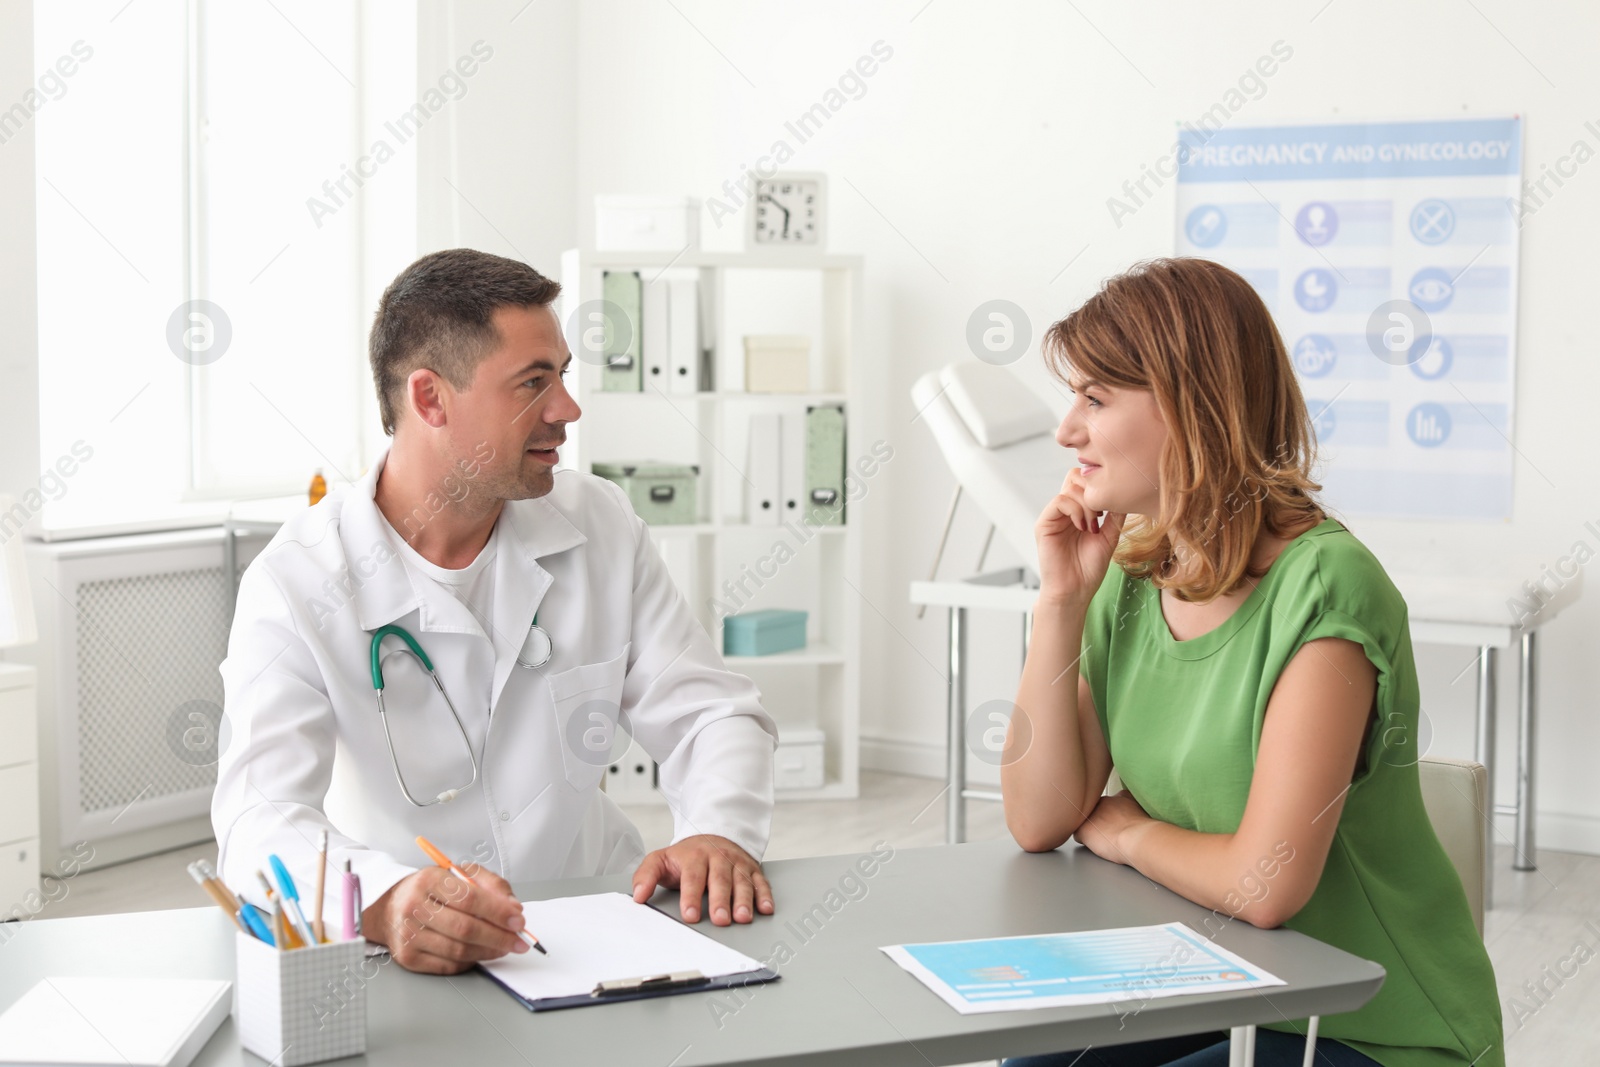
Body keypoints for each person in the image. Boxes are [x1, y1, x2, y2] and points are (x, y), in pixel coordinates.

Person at [213, 249, 778, 974]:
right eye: (532, 383)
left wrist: (717, 831)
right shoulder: (298, 581)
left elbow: (712, 712)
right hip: (410, 945)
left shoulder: (598, 523)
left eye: (562, 375)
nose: (566, 409)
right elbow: (258, 819)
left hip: (600, 919)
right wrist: (384, 901)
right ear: (430, 400)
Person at [1000, 259, 1502, 1066]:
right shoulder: (1126, 580)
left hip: (1368, 1024)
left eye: (1095, 399)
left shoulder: (1326, 586)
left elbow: (1264, 885)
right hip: (1220, 983)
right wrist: (1059, 605)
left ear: (1190, 407)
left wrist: (1130, 834)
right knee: (1030, 1060)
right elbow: (1038, 819)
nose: (1068, 430)